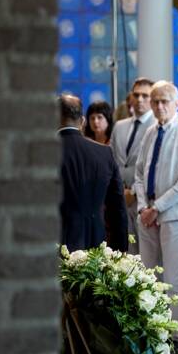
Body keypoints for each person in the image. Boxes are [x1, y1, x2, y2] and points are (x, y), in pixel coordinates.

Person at [132, 81, 178, 354]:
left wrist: (157, 207)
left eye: (165, 101)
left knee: (173, 279)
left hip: (174, 215)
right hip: (147, 214)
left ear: (177, 103)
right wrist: (142, 207)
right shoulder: (150, 132)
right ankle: (154, 332)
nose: (159, 106)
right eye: (155, 101)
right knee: (149, 277)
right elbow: (139, 173)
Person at [58, 94, 127, 253]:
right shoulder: (104, 153)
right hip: (95, 240)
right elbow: (117, 207)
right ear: (82, 122)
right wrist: (119, 250)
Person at [109, 77, 156, 253]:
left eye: (146, 95)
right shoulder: (120, 126)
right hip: (119, 198)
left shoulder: (157, 126)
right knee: (123, 252)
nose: (140, 99)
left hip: (144, 201)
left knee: (146, 256)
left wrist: (134, 191)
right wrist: (119, 189)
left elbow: (153, 167)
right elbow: (111, 162)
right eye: (136, 95)